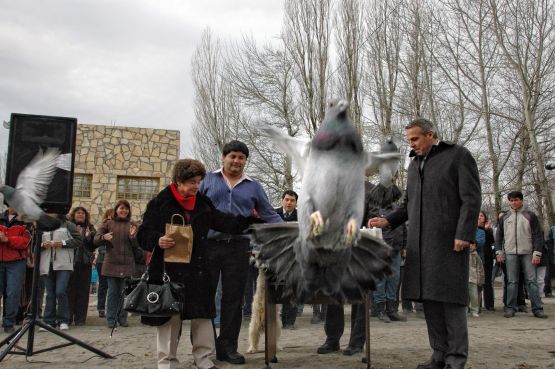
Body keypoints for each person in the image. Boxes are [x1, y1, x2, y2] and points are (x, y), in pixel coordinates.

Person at [369, 118, 481, 369]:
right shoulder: (414, 164)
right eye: (409, 140)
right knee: (429, 301)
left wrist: (464, 234)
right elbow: (408, 203)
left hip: (450, 243)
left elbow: (471, 199)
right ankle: (439, 355)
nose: (412, 144)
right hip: (420, 245)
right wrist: (387, 221)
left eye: (415, 139)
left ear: (431, 134)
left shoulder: (458, 156)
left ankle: (456, 359)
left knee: (451, 302)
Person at [137, 158, 263, 369]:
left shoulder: (203, 202)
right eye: (192, 182)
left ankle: (204, 359)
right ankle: (167, 362)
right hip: (169, 271)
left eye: (198, 181)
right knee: (170, 319)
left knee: (203, 317)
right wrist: (157, 240)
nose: (197, 186)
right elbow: (143, 234)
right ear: (178, 180)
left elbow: (224, 221)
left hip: (199, 270)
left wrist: (252, 223)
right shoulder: (160, 202)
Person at [199, 140, 282, 365]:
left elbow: (269, 214)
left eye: (241, 157)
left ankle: (228, 348)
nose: (236, 161)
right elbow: (191, 209)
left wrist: (289, 230)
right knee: (204, 300)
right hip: (208, 247)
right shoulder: (207, 180)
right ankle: (204, 350)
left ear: (246, 161)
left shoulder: (254, 186)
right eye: (232, 156)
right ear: (223, 157)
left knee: (233, 300)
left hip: (238, 248)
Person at [495, 191, 547, 319]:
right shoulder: (504, 217)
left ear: (521, 200)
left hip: (528, 253)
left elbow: (538, 235)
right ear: (509, 202)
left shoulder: (530, 215)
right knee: (512, 281)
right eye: (511, 200)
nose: (514, 202)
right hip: (510, 253)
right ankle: (510, 308)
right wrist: (499, 251)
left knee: (532, 281)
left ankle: (537, 308)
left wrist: (537, 253)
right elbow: (499, 237)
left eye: (516, 200)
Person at [93, 200, 139, 328]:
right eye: (121, 208)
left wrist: (132, 236)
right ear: (116, 210)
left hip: (127, 263)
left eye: (126, 209)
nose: (124, 211)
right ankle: (111, 319)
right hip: (111, 263)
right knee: (113, 292)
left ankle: (122, 318)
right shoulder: (108, 223)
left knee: (124, 293)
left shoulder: (132, 225)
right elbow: (96, 239)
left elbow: (137, 245)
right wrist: (103, 237)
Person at [39, 214, 82, 331]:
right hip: (47, 263)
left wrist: (62, 243)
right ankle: (49, 321)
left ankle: (63, 320)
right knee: (50, 293)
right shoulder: (42, 225)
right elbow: (34, 244)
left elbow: (78, 240)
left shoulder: (68, 225)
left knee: (60, 291)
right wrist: (43, 244)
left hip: (64, 264)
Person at [0, 208, 32, 333]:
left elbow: (26, 242)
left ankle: (9, 323)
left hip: (16, 262)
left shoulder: (26, 221)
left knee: (13, 293)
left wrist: (8, 240)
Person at [67, 206, 96, 325]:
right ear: (74, 215)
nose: (80, 215)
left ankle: (80, 318)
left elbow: (93, 245)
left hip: (85, 263)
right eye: (78, 213)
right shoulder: (68, 227)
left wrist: (89, 237)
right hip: (70, 262)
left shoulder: (91, 228)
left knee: (83, 291)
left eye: (83, 214)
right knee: (69, 290)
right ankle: (68, 317)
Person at [275, 190, 300, 329]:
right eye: (287, 199)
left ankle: (289, 321)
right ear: (282, 200)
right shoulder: (274, 214)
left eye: (292, 200)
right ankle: (275, 320)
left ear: (296, 203)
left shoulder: (300, 216)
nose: (289, 202)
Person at [95, 208, 113, 318]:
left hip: (114, 261)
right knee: (103, 285)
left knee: (113, 286)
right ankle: (101, 308)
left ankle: (112, 309)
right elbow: (99, 243)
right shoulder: (103, 227)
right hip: (102, 260)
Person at [479, 212, 495, 310]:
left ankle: (489, 304)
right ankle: (478, 304)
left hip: (487, 256)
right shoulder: (471, 228)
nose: (479, 217)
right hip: (476, 256)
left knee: (487, 281)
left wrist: (486, 229)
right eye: (478, 215)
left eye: (481, 216)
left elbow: (491, 240)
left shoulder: (488, 229)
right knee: (477, 282)